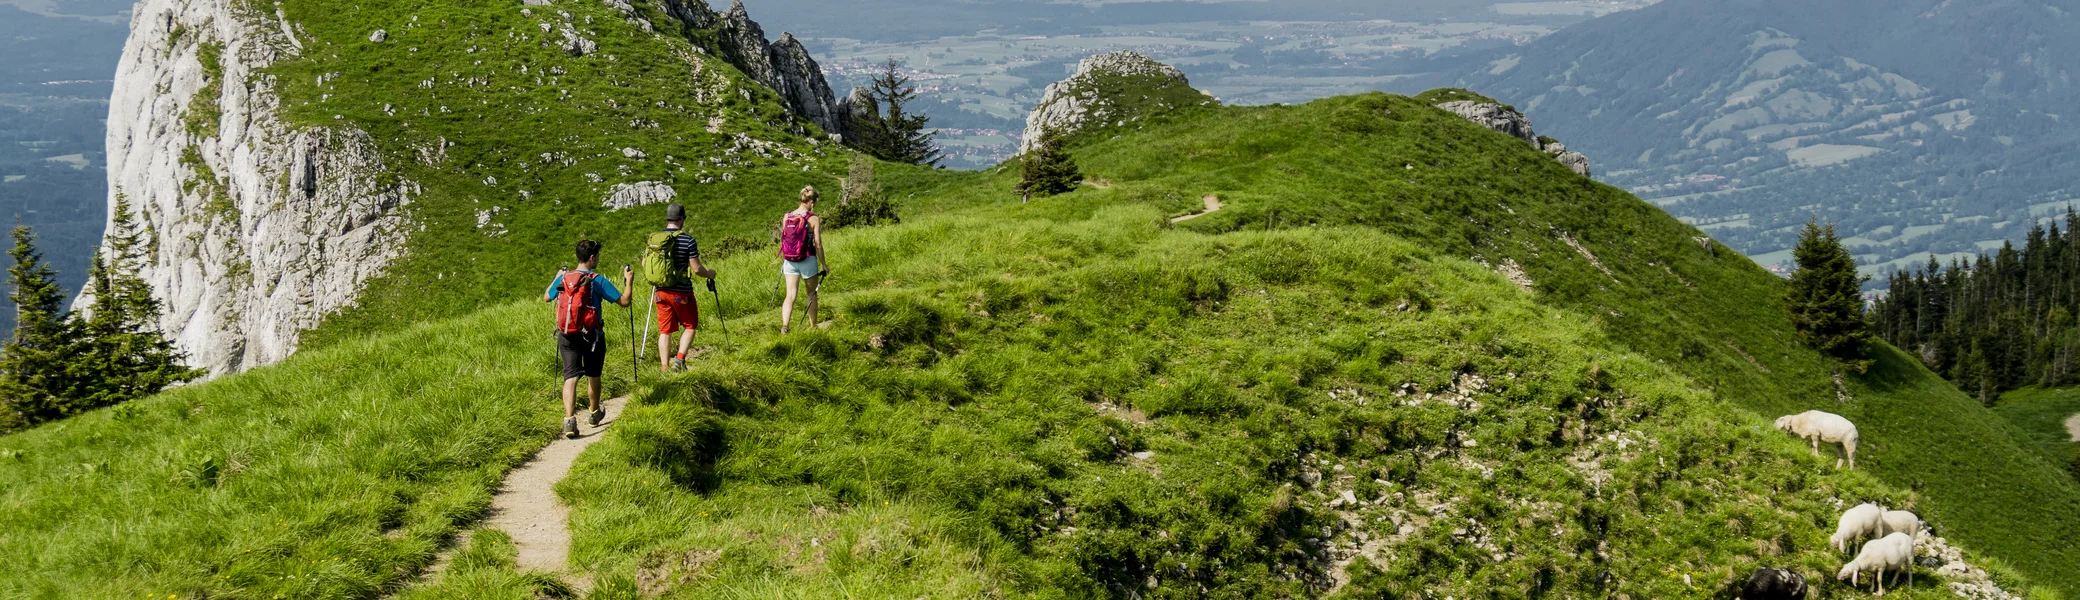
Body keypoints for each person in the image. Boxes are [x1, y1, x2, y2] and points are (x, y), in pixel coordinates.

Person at [543, 240, 633, 439]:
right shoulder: (596, 280)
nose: (598, 259)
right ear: (592, 258)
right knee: (593, 374)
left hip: (566, 334)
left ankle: (569, 420)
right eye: (597, 256)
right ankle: (594, 414)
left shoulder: (564, 279)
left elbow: (547, 297)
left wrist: (557, 277)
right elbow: (624, 302)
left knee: (571, 377)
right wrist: (629, 281)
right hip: (592, 336)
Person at [652, 202, 716, 372]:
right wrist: (709, 274)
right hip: (682, 293)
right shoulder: (688, 240)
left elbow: (645, 263)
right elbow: (696, 269)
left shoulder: (655, 239)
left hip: (660, 291)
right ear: (681, 219)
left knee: (665, 331)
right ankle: (679, 361)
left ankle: (664, 368)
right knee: (690, 325)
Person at [779, 185, 830, 334]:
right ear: (812, 203)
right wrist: (824, 264)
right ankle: (813, 326)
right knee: (811, 293)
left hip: (790, 261)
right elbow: (818, 244)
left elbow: (784, 239)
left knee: (790, 295)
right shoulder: (813, 219)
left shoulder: (787, 216)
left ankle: (785, 326)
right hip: (807, 259)